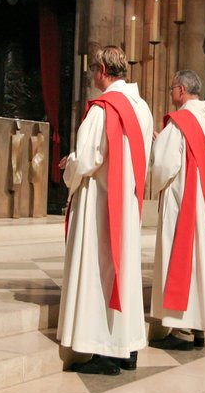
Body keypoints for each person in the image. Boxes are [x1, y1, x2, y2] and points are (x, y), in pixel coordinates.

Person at [56, 46, 153, 375]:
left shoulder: (103, 109)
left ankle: (105, 350)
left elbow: (86, 159)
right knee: (121, 272)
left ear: (101, 70)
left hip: (101, 202)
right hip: (126, 201)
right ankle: (127, 348)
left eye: (93, 70)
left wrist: (68, 164)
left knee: (101, 272)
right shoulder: (142, 108)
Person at [150, 70, 205, 350]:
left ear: (181, 90)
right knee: (198, 264)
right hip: (200, 200)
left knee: (178, 260)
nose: (170, 94)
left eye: (171, 89)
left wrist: (157, 149)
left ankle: (179, 327)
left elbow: (165, 166)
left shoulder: (180, 123)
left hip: (181, 202)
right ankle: (198, 327)